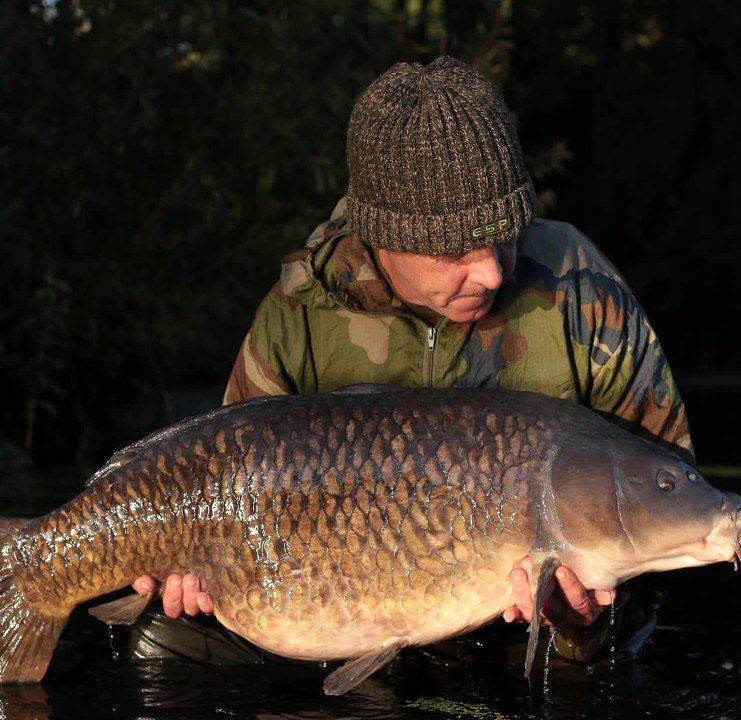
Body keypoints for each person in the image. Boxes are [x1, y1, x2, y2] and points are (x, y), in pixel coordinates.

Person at [128, 55, 693, 665]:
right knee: (165, 645)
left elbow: (666, 492)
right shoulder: (300, 312)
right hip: (333, 614)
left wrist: (589, 615)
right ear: (382, 235)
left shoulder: (582, 290)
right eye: (455, 250)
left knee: (602, 668)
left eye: (506, 234)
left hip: (522, 628)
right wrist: (196, 573)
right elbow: (225, 478)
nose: (492, 271)